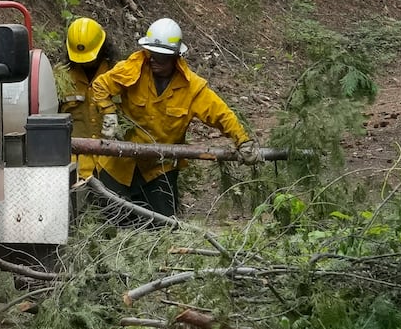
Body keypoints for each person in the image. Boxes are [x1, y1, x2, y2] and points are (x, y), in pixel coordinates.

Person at [89, 17, 259, 219]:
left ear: (175, 57)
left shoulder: (191, 88)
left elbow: (221, 113)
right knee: (109, 220)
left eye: (160, 56)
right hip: (120, 163)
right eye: (151, 53)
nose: (153, 60)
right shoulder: (133, 68)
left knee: (162, 224)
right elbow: (100, 86)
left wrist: (243, 141)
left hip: (158, 168)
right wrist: (109, 113)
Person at [58, 16, 118, 180]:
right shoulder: (61, 78)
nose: (85, 63)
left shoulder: (119, 75)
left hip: (113, 167)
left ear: (102, 48)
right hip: (75, 168)